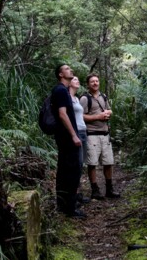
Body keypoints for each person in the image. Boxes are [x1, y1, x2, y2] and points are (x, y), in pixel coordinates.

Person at [51, 64, 85, 218]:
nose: (71, 70)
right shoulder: (60, 90)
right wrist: (73, 135)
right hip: (67, 138)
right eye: (67, 68)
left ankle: (64, 206)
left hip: (65, 137)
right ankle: (70, 208)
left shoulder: (62, 90)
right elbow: (62, 114)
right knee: (71, 172)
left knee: (65, 171)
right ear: (60, 74)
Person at [81, 73, 120, 199]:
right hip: (92, 134)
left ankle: (109, 189)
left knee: (108, 162)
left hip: (105, 134)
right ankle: (95, 190)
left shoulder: (103, 96)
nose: (95, 83)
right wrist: (98, 116)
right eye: (92, 81)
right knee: (92, 163)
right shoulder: (85, 98)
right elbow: (80, 116)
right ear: (88, 84)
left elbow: (109, 110)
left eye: (97, 81)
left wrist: (109, 112)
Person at [69, 76, 91, 206]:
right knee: (75, 165)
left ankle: (77, 193)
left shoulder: (76, 98)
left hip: (83, 132)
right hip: (76, 132)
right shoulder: (67, 98)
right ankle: (73, 195)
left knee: (80, 164)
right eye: (75, 79)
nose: (77, 81)